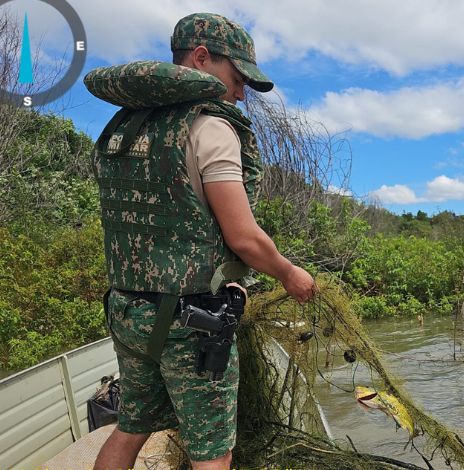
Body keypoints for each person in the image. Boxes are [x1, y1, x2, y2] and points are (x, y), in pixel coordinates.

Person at [92, 13, 315, 470]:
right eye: (237, 78)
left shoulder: (125, 126)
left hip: (127, 309)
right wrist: (290, 274)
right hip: (188, 322)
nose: (240, 93)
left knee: (132, 424)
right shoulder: (209, 127)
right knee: (213, 451)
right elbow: (244, 236)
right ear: (200, 58)